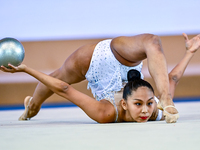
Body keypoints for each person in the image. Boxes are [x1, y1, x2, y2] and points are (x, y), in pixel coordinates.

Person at [1, 33, 199, 123]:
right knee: (152, 41)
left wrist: (27, 69)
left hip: (93, 62)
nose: (146, 110)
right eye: (140, 104)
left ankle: (30, 107)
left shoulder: (107, 113)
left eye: (146, 104)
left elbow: (63, 88)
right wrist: (190, 52)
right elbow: (172, 78)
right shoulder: (153, 111)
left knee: (51, 82)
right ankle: (32, 108)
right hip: (117, 57)